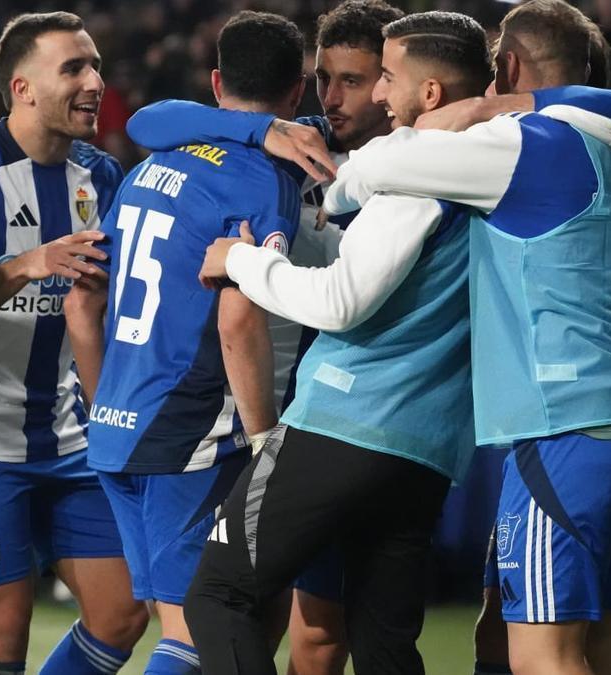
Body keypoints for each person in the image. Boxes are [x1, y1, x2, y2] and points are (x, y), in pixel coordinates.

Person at [324, 1, 611, 673]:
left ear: (508, 68)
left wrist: (425, 134)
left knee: (543, 659)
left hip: (568, 430)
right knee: (599, 650)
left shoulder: (520, 147)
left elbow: (361, 180)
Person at [187, 12, 490, 675]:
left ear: (430, 92)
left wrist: (241, 261)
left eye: (380, 77)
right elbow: (154, 121)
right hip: (427, 445)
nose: (373, 93)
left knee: (217, 593)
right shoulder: (487, 168)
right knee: (382, 642)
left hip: (344, 420)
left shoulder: (416, 174)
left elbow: (341, 301)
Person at [121, 2, 403, 672]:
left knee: (353, 627)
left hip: (384, 415)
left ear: (396, 83)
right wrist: (256, 129)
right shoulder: (298, 145)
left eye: (354, 81)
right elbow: (146, 121)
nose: (333, 99)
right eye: (325, 79)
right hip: (303, 422)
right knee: (287, 625)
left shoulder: (420, 171)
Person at [64, 11, 305, 674]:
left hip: (116, 427)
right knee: (199, 635)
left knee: (196, 621)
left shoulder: (153, 164)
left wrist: (104, 401)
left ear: (217, 82)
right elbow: (237, 319)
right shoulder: (265, 180)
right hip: (189, 432)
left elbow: (82, 304)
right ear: (298, 90)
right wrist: (266, 445)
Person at [0, 12, 148, 675]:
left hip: (72, 435)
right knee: (2, 635)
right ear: (22, 87)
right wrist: (24, 264)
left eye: (95, 65)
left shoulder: (103, 178)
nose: (95, 81)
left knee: (123, 612)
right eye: (73, 68)